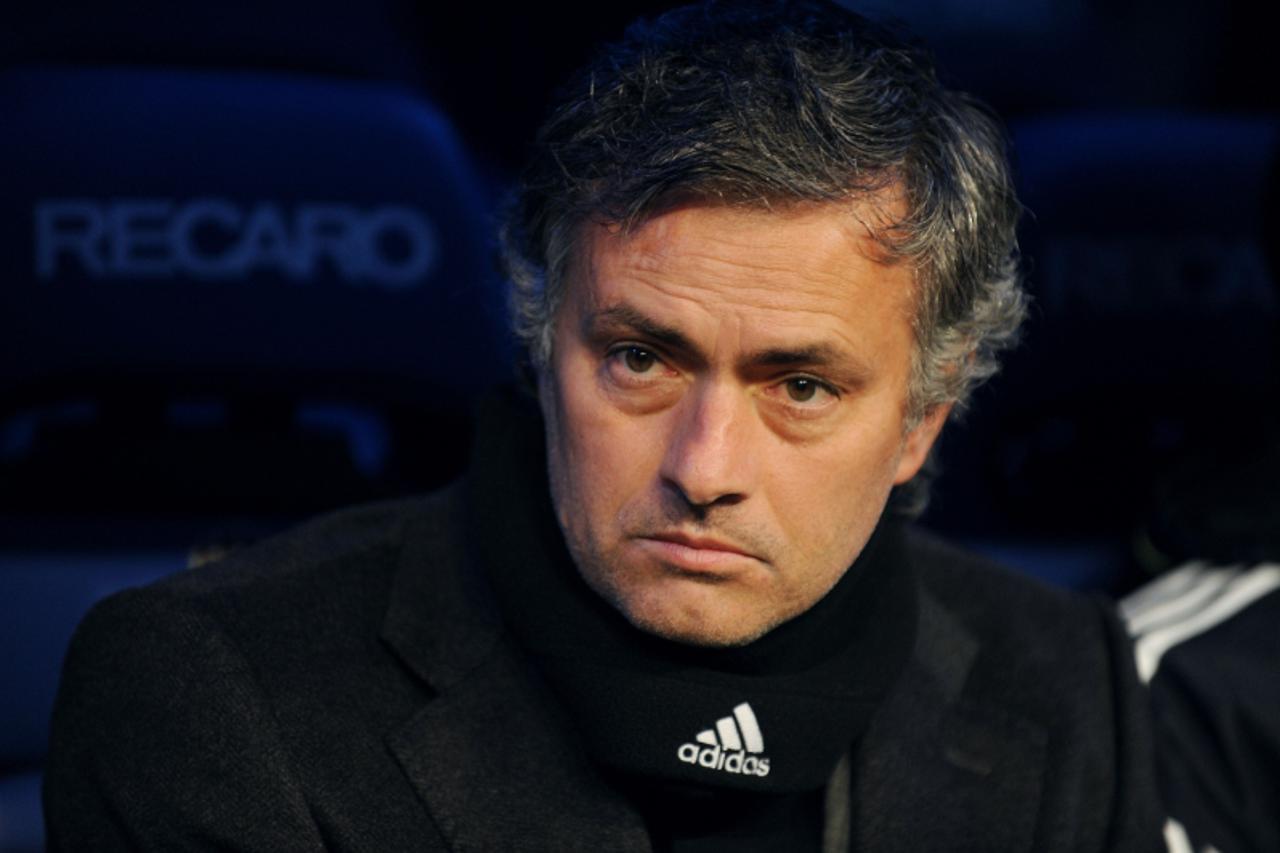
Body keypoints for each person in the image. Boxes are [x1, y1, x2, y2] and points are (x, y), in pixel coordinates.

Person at [43, 1, 1166, 849]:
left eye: (801, 387)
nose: (704, 468)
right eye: (638, 359)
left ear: (922, 418)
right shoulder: (214, 693)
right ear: (542, 345)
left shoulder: (1060, 682)